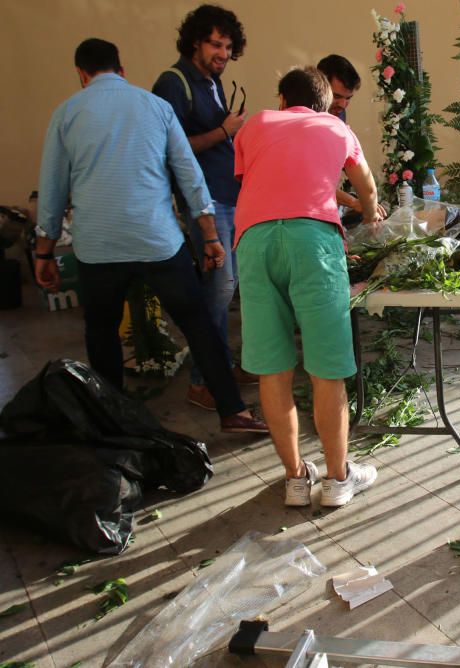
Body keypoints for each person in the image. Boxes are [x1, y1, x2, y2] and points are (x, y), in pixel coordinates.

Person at [35, 38, 266, 434]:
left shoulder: (66, 114)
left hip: (97, 247)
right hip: (157, 241)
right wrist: (210, 236)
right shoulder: (156, 107)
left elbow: (53, 189)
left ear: (82, 75)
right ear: (121, 71)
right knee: (198, 324)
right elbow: (189, 175)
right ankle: (233, 411)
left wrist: (44, 253)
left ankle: (111, 421)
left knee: (101, 331)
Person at [233, 67, 382, 507]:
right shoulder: (336, 128)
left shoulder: (257, 123)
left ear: (282, 99)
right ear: (324, 104)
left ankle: (296, 479)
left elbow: (264, 180)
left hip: (255, 241)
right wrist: (370, 211)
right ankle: (338, 480)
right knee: (327, 368)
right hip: (313, 244)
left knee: (273, 368)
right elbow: (366, 185)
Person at [153, 4, 256, 412]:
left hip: (227, 197)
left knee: (228, 289)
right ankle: (202, 381)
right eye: (215, 44)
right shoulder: (173, 82)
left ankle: (221, 367)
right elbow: (169, 149)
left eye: (229, 47)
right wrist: (223, 131)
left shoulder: (211, 81)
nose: (222, 53)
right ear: (195, 40)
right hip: (206, 205)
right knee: (218, 291)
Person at [316, 54, 387, 222]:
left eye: (348, 98)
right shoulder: (303, 118)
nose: (342, 105)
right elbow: (313, 181)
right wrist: (355, 202)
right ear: (319, 86)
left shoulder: (338, 115)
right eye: (337, 96)